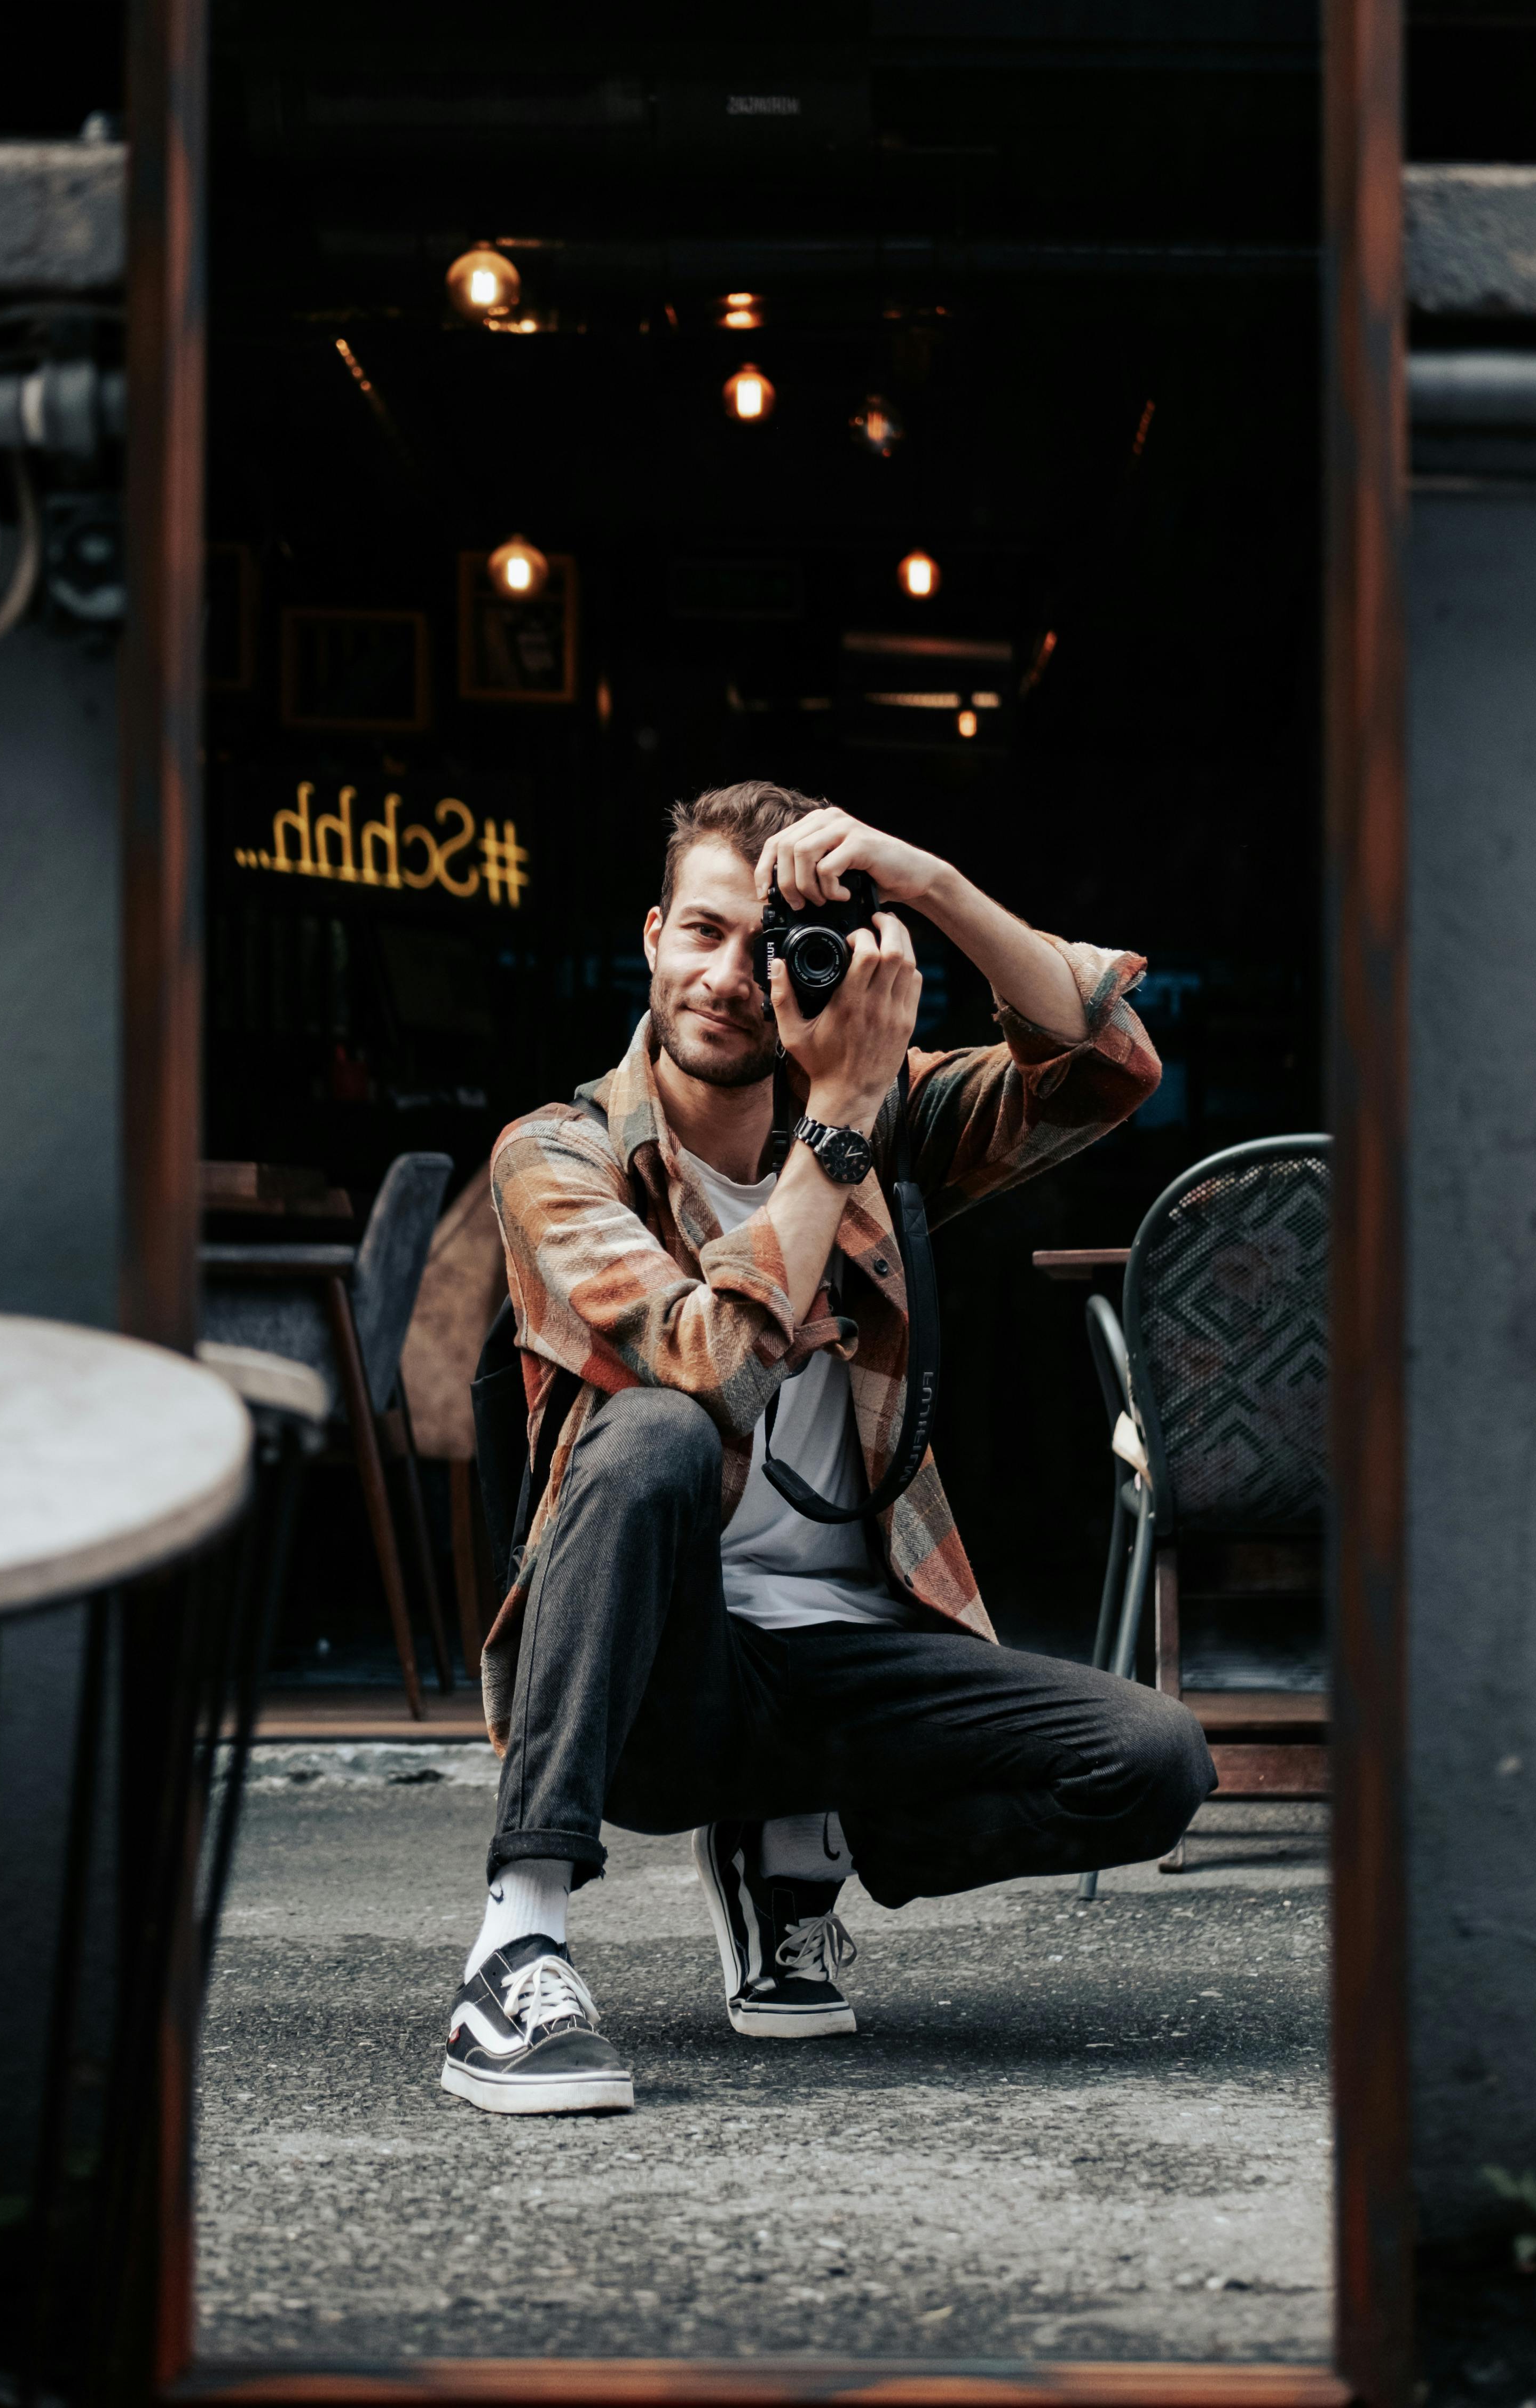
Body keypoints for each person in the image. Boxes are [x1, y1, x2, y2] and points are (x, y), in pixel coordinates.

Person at [442, 780, 1214, 2114]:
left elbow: (1111, 1067)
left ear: (823, 970)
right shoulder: (559, 1154)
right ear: (649, 938)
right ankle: (514, 1945)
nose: (728, 979)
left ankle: (799, 1844)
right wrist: (836, 1128)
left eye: (765, 947)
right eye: (700, 932)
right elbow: (704, 1368)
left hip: (859, 1656)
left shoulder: (889, 1111)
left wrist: (926, 883)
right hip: (660, 1690)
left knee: (1152, 1765)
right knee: (654, 1436)